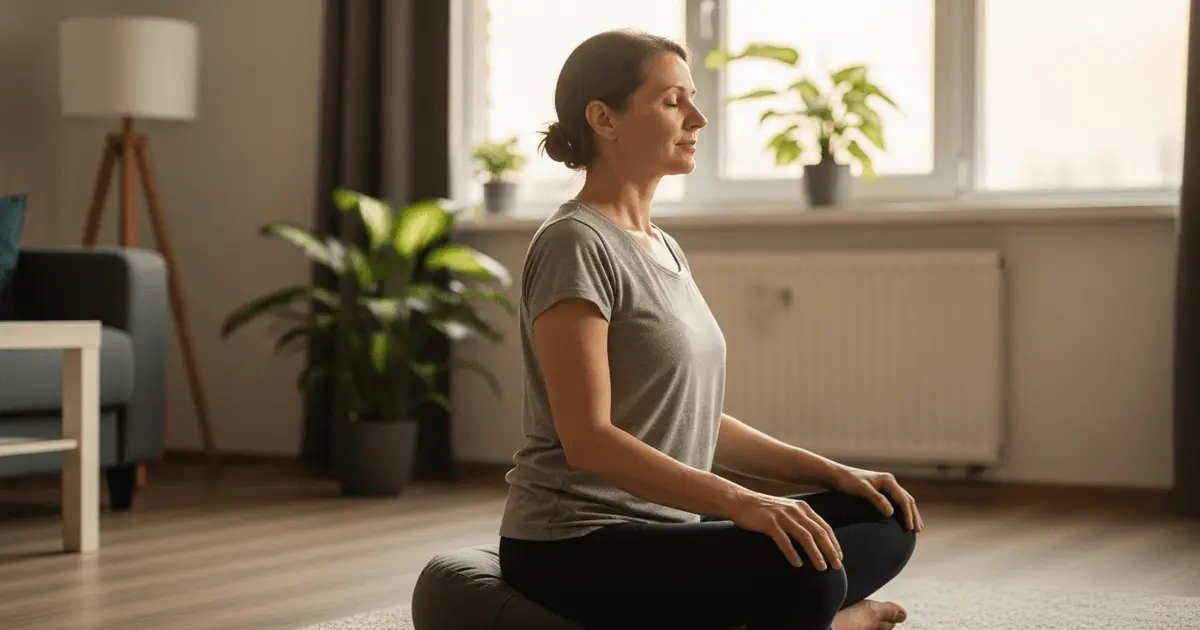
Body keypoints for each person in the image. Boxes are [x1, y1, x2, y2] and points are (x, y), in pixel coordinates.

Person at [498, 29, 922, 630]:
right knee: (814, 569)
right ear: (604, 119)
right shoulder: (574, 244)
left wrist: (834, 473)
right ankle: (831, 619)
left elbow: (694, 420)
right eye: (673, 101)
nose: (697, 118)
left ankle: (791, 616)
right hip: (578, 541)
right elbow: (588, 439)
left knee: (882, 516)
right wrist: (741, 502)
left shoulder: (663, 245)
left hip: (673, 527)